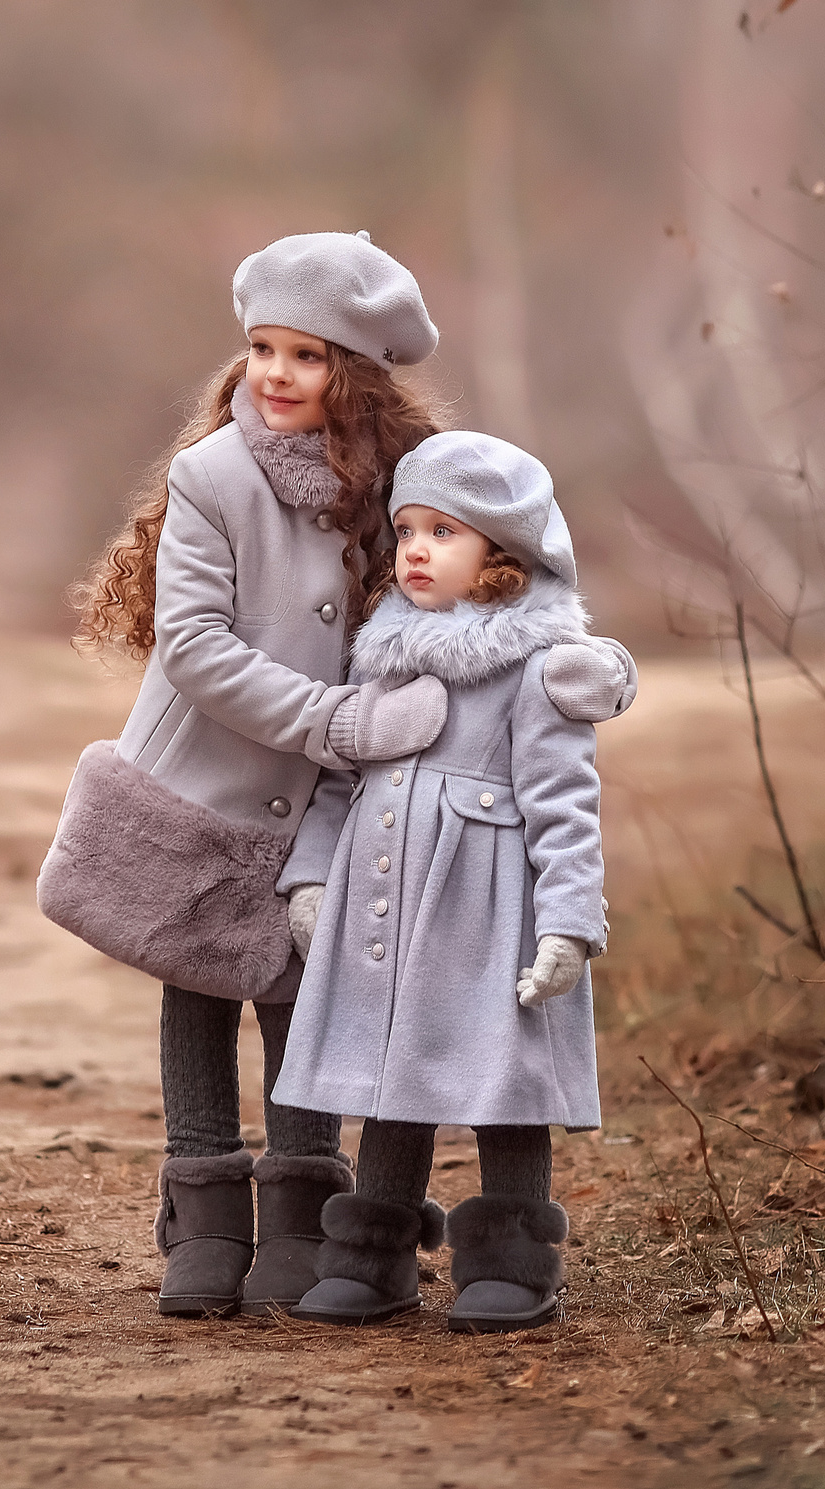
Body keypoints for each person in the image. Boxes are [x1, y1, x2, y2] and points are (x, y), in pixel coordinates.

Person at [40, 232, 634, 1320]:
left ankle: (306, 1218)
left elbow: (500, 588)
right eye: (260, 347)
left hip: (346, 795)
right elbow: (196, 646)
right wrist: (344, 720)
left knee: (304, 988)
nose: (273, 373)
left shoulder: (401, 480)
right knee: (199, 977)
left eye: (304, 355)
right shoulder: (209, 473)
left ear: (351, 375)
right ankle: (204, 1222)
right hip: (216, 769)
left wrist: (594, 668)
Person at [275, 432, 609, 1334]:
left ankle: (510, 1259)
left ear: (501, 554)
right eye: (407, 529)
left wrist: (569, 925)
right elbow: (340, 782)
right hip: (385, 910)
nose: (415, 548)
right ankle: (371, 1254)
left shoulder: (540, 669)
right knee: (394, 1071)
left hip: (490, 910)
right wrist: (310, 880)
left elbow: (566, 808)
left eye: (444, 532)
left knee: (505, 1075)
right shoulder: (379, 655)